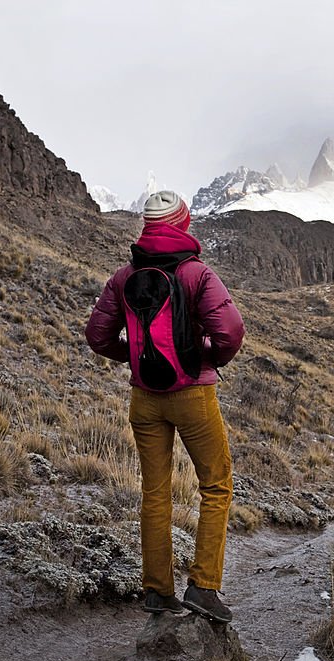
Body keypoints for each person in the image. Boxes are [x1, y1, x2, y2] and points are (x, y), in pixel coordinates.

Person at [85, 190, 244, 623]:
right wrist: (205, 356)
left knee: (155, 493)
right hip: (193, 395)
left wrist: (135, 358)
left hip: (144, 399)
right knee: (216, 486)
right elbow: (230, 331)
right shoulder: (197, 274)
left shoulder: (122, 277)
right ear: (181, 224)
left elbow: (98, 337)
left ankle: (157, 591)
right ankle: (204, 587)